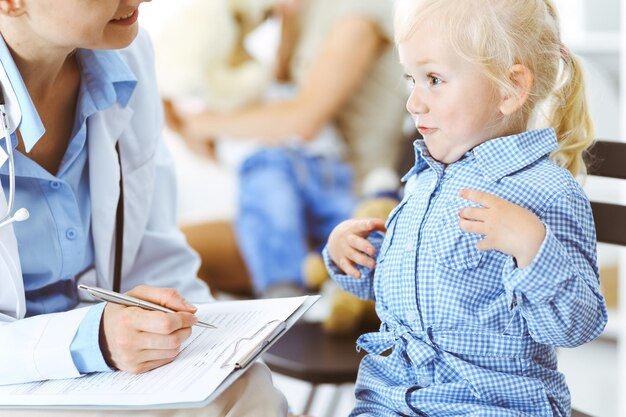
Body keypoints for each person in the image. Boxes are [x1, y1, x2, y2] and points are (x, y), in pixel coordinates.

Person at [0, 0, 286, 416]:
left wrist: (216, 345)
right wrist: (91, 340)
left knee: (245, 388)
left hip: (100, 378)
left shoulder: (127, 57)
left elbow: (153, 256)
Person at [325, 0, 608, 415]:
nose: (413, 103)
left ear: (511, 89)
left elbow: (576, 326)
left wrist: (534, 249)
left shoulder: (548, 191)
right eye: (412, 80)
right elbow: (415, 293)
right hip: (391, 399)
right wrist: (354, 257)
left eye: (434, 79)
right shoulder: (425, 178)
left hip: (491, 406)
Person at [165, 0, 407, 296]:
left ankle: (291, 297)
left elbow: (302, 121)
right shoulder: (298, 13)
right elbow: (266, 127)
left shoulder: (356, 14)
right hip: (289, 200)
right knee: (165, 254)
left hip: (347, 197)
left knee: (172, 258)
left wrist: (201, 123)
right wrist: (180, 122)